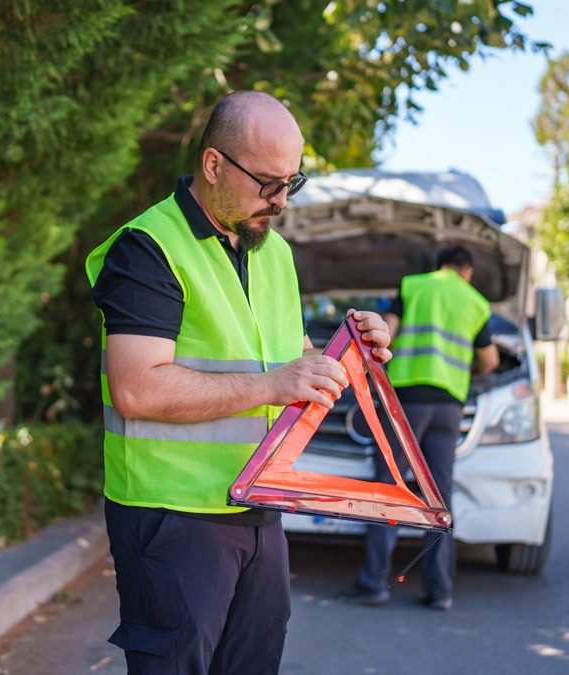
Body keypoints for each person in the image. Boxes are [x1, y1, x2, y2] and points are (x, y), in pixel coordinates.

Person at [84, 90, 393, 674]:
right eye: (267, 183)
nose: (280, 201)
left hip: (258, 507)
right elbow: (137, 389)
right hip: (171, 517)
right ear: (214, 165)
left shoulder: (271, 251)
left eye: (291, 183)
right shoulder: (148, 249)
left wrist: (351, 353)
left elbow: (286, 359)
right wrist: (276, 383)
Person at [348, 243, 499, 611]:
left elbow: (389, 334)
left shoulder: (414, 286)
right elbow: (490, 361)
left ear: (439, 264)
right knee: (438, 494)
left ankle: (374, 584)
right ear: (467, 272)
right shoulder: (476, 302)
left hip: (407, 402)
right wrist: (465, 372)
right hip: (448, 404)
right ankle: (439, 590)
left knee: (390, 486)